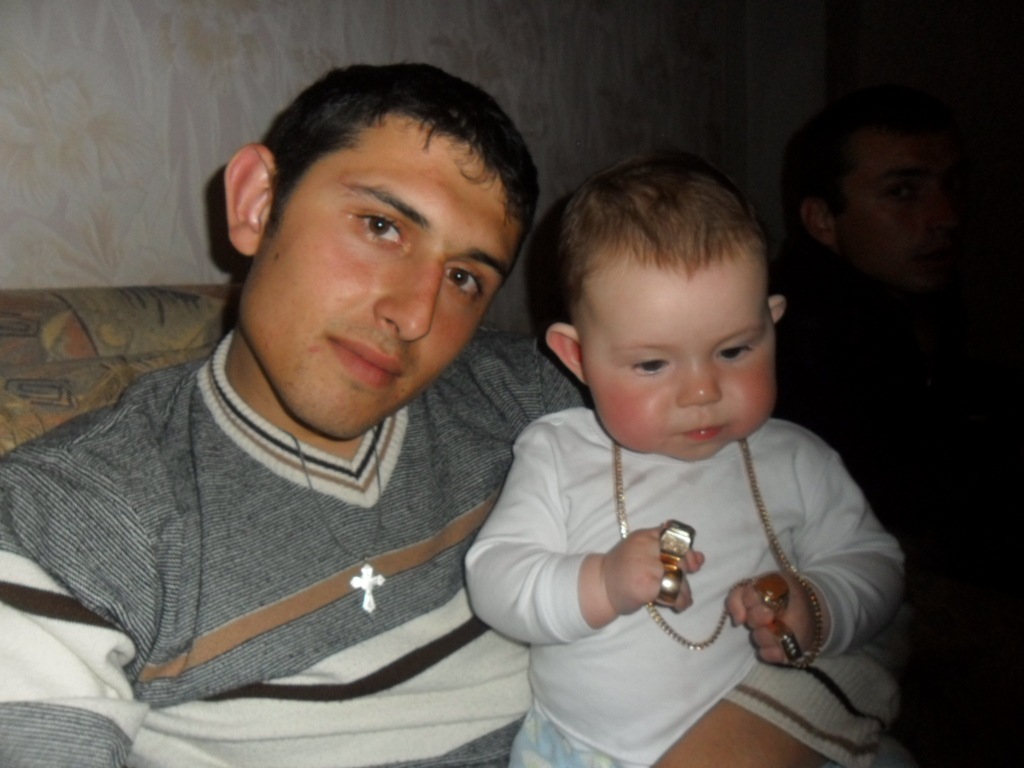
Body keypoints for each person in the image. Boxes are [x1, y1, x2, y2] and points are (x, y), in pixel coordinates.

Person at [0, 63, 898, 768]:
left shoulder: (555, 403)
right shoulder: (72, 522)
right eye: (381, 227)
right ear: (257, 203)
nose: (414, 315)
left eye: (465, 276)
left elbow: (848, 587)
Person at [466, 152, 905, 768]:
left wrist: (818, 604)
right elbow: (495, 577)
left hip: (768, 729)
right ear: (577, 358)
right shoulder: (558, 453)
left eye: (734, 351)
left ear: (771, 325)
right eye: (652, 364)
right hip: (580, 750)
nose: (702, 391)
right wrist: (602, 582)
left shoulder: (797, 458)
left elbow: (876, 564)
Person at [770, 84, 1022, 576]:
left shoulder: (912, 293)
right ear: (822, 219)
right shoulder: (799, 344)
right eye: (902, 192)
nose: (946, 217)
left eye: (953, 184)